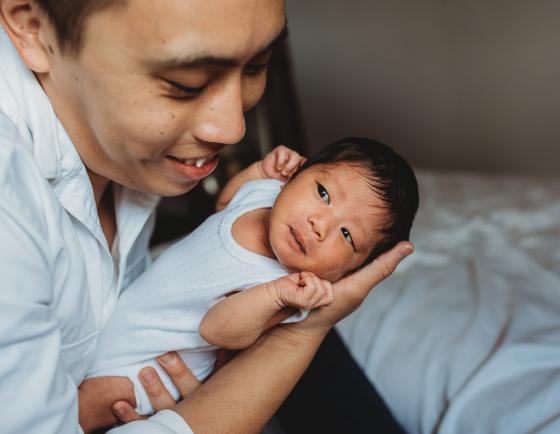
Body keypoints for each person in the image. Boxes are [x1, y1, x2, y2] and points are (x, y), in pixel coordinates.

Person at [0, 1, 413, 433]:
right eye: (185, 83)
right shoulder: (11, 198)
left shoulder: (116, 151)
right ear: (31, 26)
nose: (233, 128)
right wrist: (297, 338)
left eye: (257, 66)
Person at [83, 139, 419, 424]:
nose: (320, 223)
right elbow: (225, 205)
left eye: (347, 235)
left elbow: (217, 330)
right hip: (125, 316)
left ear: (348, 273)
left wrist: (276, 294)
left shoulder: (290, 291)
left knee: (85, 406)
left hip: (153, 365)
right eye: (323, 193)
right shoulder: (265, 195)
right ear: (295, 176)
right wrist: (259, 171)